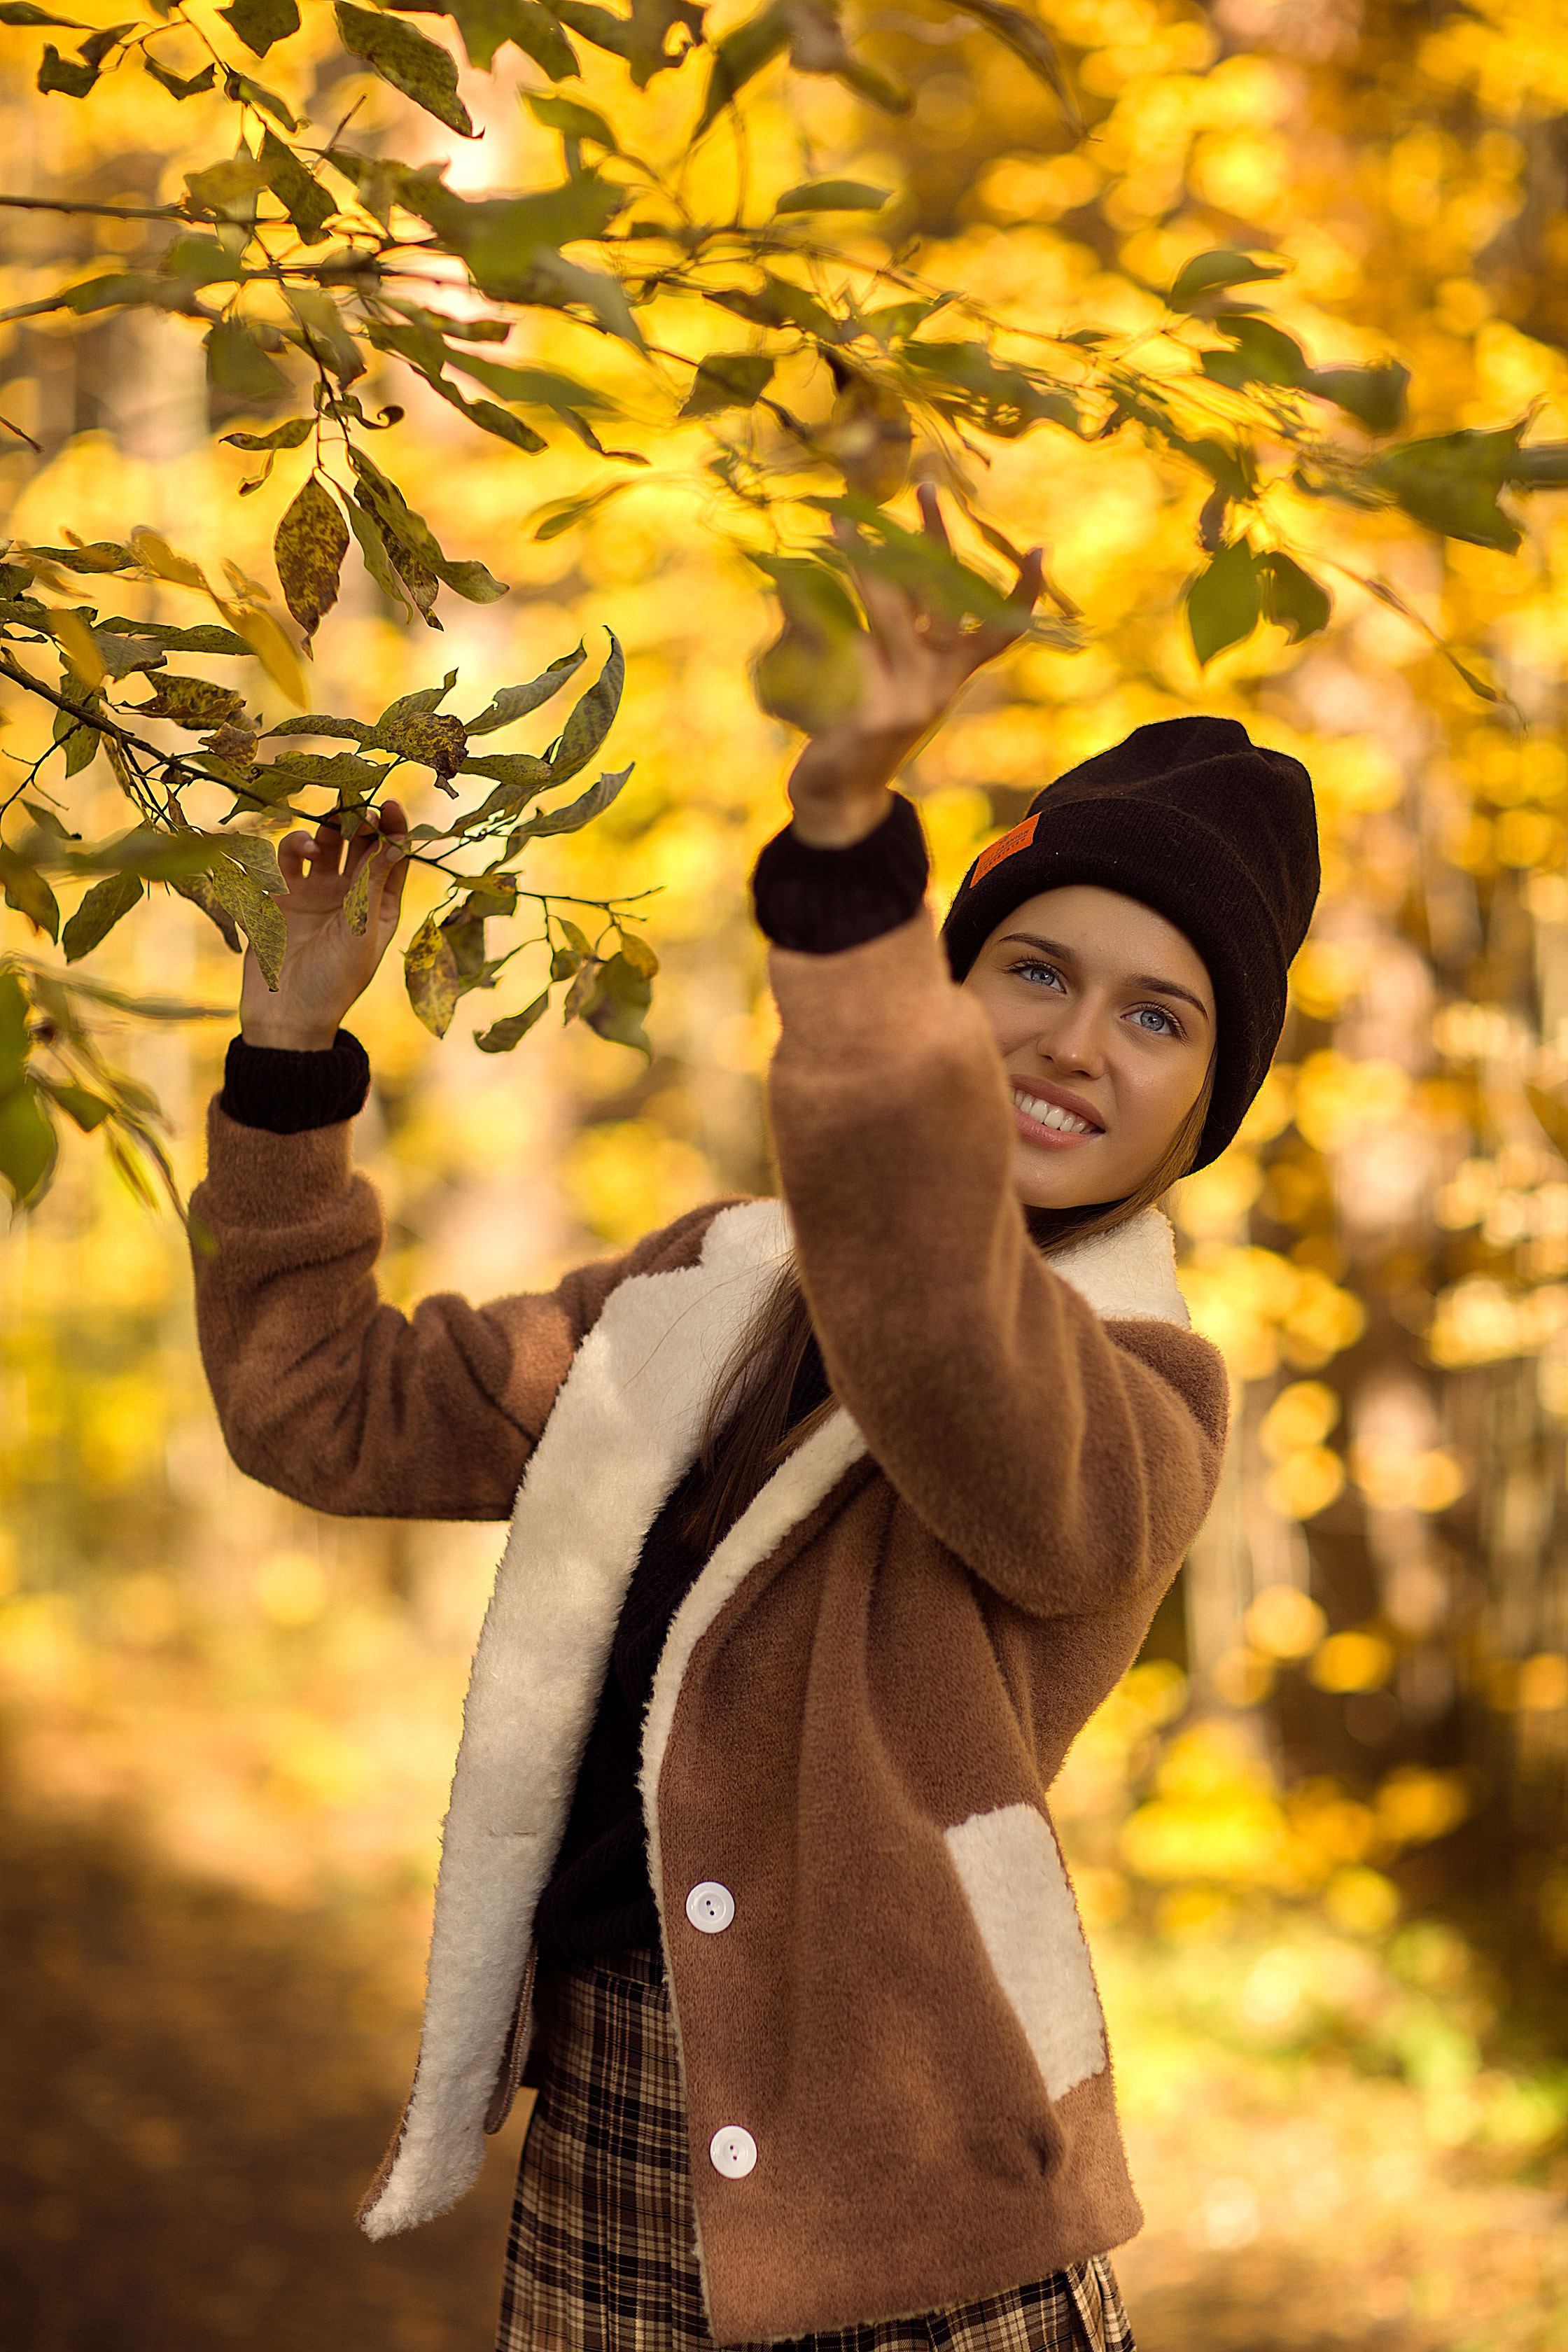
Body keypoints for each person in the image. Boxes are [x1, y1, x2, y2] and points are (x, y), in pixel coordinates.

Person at [188, 489, 1320, 2352]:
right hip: (617, 2140)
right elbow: (327, 1409)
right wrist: (292, 1065)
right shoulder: (716, 1290)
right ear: (950, 992)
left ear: (1206, 1106)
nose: (1075, 1044)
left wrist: (848, 849)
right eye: (1033, 968)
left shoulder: (1136, 1398)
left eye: (1159, 1018)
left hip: (916, 2202)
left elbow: (943, 1327)